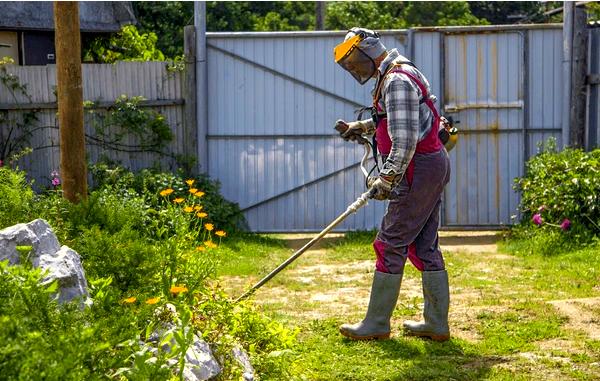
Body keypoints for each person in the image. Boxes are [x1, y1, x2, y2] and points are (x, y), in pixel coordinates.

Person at [333, 27, 451, 341]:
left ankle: (376, 324)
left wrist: (386, 180)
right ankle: (436, 324)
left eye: (355, 60)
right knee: (424, 245)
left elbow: (406, 139)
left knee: (390, 241)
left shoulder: (396, 81)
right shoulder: (400, 73)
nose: (354, 68)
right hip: (429, 166)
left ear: (370, 51)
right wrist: (360, 126)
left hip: (418, 169)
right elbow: (395, 118)